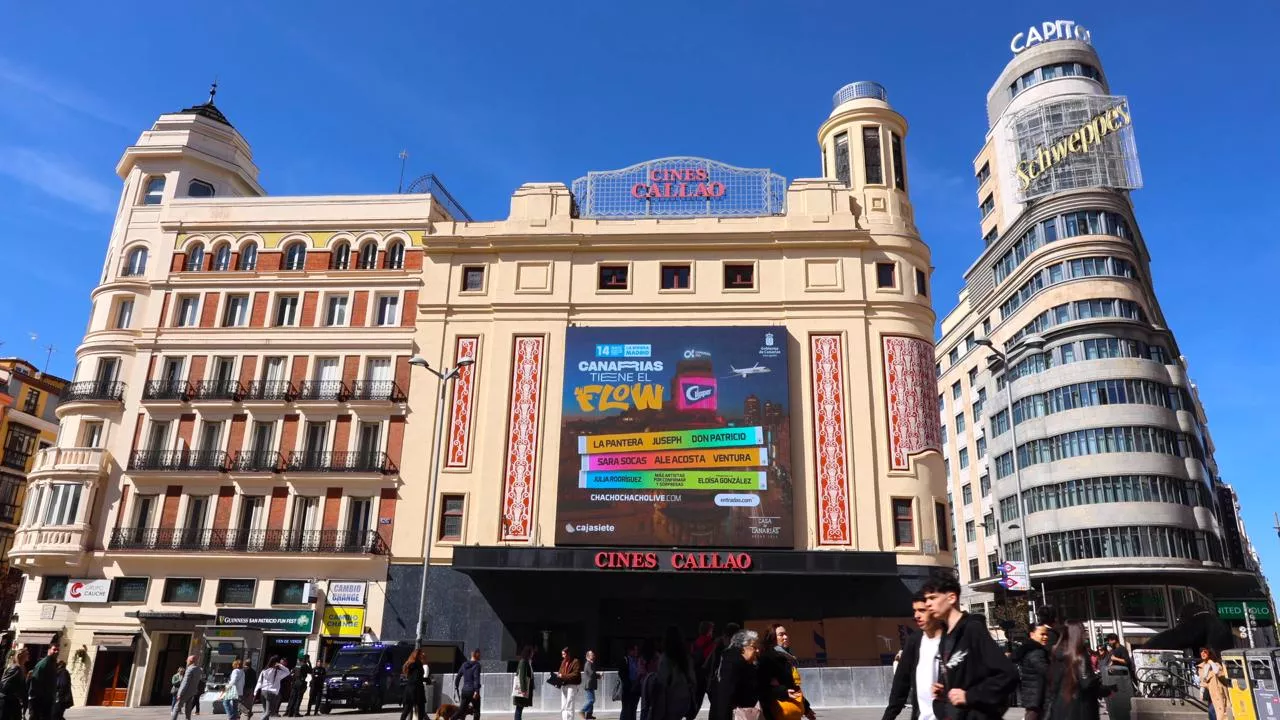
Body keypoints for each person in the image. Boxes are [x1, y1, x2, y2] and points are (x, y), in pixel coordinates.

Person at [922, 572, 1018, 720]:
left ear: (951, 598)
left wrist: (969, 696)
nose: (928, 604)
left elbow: (1008, 675)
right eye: (926, 599)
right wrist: (943, 692)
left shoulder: (973, 630)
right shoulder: (945, 637)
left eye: (933, 598)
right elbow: (962, 680)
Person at [883, 593, 945, 720]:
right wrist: (888, 717)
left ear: (934, 610)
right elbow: (901, 683)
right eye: (915, 611)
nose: (916, 615)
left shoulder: (952, 639)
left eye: (922, 610)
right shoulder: (914, 641)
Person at [1045, 621, 1110, 720]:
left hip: (1059, 706)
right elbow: (1087, 683)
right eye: (1084, 631)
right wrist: (1105, 690)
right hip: (1080, 708)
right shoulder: (1080, 655)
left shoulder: (1055, 653)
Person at [758, 625, 813, 720]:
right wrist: (782, 692)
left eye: (786, 634)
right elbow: (762, 687)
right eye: (781, 635)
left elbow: (793, 686)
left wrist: (806, 708)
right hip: (776, 711)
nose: (785, 637)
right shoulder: (767, 658)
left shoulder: (787, 657)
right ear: (772, 638)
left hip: (791, 711)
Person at [643, 626, 696, 720]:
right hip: (684, 700)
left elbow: (663, 681)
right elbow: (693, 681)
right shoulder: (686, 658)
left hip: (669, 701)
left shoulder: (665, 658)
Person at [1012, 625, 1050, 720]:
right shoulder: (1037, 652)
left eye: (1046, 634)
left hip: (1031, 696)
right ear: (1032, 634)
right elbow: (1046, 671)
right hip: (1037, 698)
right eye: (1042, 634)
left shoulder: (1028, 649)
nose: (1045, 637)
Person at [1197, 648, 1229, 720]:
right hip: (1210, 693)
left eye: (1205, 651)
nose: (1202, 653)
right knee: (1212, 712)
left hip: (1218, 692)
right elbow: (1203, 680)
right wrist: (1201, 691)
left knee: (1217, 712)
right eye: (1201, 652)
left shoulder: (1216, 664)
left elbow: (1218, 672)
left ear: (1209, 653)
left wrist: (1211, 662)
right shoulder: (1201, 667)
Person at [29, 645, 59, 720]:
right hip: (40, 701)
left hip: (48, 700)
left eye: (58, 650)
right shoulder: (44, 663)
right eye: (54, 649)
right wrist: (34, 699)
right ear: (49, 650)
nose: (56, 651)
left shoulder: (52, 663)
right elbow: (35, 682)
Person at [255, 656, 289, 720]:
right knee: (268, 712)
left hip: (263, 691)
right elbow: (287, 672)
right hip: (272, 693)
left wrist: (255, 691)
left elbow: (259, 681)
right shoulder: (278, 672)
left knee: (265, 711)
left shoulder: (264, 671)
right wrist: (280, 665)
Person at [171, 654, 205, 720]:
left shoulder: (190, 669)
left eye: (187, 660)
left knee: (176, 708)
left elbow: (185, 682)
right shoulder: (198, 670)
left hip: (186, 692)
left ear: (191, 660)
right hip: (192, 692)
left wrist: (180, 693)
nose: (186, 661)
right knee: (188, 708)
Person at [452, 649, 483, 720]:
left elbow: (458, 676)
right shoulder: (477, 665)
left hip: (465, 691)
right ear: (476, 654)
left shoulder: (464, 665)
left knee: (461, 710)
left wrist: (456, 687)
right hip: (473, 691)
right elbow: (476, 678)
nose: (480, 655)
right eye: (479, 654)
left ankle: (452, 719)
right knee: (476, 711)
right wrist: (476, 691)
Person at [0, 646, 29, 720]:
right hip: (7, 701)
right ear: (21, 656)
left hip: (12, 700)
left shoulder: (20, 668)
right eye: (27, 654)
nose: (28, 656)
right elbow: (4, 685)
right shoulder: (16, 668)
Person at [555, 648, 583, 720]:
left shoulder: (575, 661)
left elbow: (575, 674)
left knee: (570, 705)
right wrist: (557, 678)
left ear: (568, 654)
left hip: (572, 685)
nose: (563, 656)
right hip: (564, 685)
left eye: (564, 654)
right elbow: (560, 672)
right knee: (563, 706)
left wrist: (563, 676)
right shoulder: (563, 662)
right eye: (562, 654)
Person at [401, 649, 428, 720]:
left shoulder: (410, 663)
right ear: (418, 655)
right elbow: (417, 678)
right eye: (421, 653)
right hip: (417, 690)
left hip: (409, 690)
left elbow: (413, 677)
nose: (423, 654)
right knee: (421, 710)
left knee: (406, 710)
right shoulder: (418, 664)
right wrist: (426, 680)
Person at [620, 644, 644, 720]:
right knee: (626, 708)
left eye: (637, 650)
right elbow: (622, 673)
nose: (636, 652)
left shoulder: (638, 660)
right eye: (634, 650)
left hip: (636, 688)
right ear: (630, 651)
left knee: (633, 708)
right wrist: (628, 684)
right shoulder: (625, 660)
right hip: (628, 688)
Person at [513, 647, 534, 720]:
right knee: (519, 707)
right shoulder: (523, 662)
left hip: (524, 688)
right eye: (531, 653)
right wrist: (523, 690)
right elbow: (521, 676)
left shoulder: (526, 661)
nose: (532, 654)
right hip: (522, 689)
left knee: (520, 707)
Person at [581, 650, 600, 720]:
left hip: (590, 685)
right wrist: (599, 675)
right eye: (592, 654)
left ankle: (589, 715)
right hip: (588, 685)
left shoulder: (590, 663)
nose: (593, 655)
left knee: (591, 700)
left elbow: (592, 674)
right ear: (588, 656)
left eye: (593, 654)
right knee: (591, 700)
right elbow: (591, 673)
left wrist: (598, 676)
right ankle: (582, 710)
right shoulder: (588, 663)